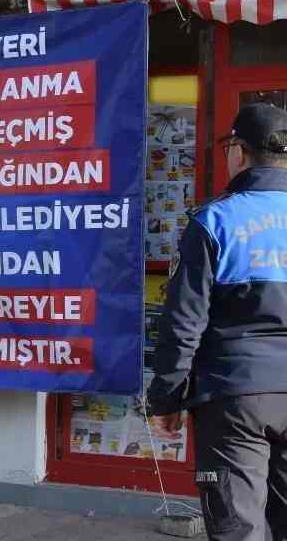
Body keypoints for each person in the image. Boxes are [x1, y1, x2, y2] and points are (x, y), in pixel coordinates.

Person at [149, 103, 287, 541]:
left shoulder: (214, 221)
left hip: (233, 397)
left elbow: (183, 322)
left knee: (237, 528)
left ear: (240, 153)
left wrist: (167, 399)